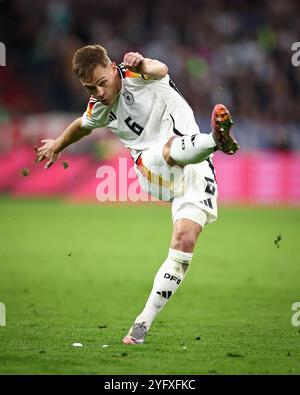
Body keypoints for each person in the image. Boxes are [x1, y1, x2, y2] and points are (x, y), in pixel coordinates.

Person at [36, 45, 239, 345]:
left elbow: (161, 70)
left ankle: (140, 326)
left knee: (184, 245)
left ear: (110, 66)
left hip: (195, 165)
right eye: (90, 88)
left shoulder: (138, 72)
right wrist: (57, 145)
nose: (99, 92)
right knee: (170, 147)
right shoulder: (100, 107)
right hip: (153, 168)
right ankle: (216, 139)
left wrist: (142, 62)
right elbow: (83, 125)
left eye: (102, 83)